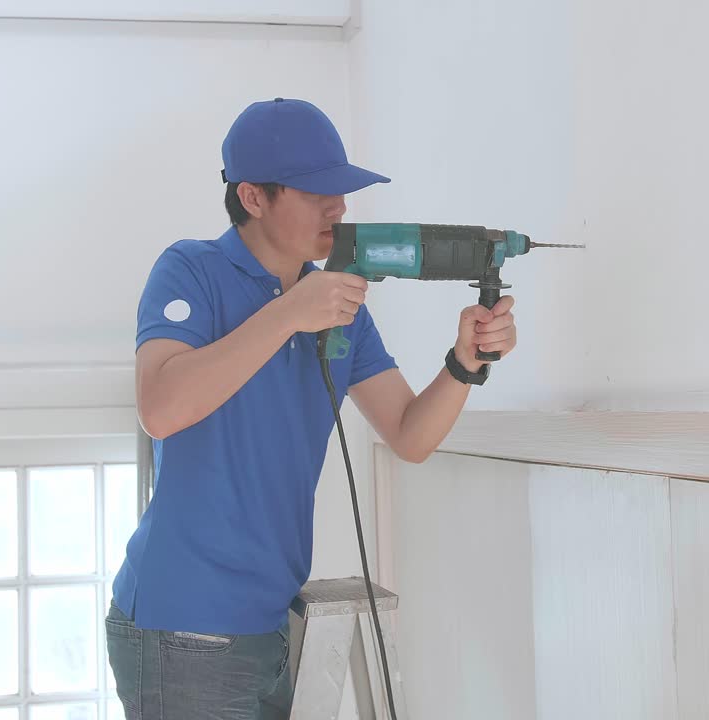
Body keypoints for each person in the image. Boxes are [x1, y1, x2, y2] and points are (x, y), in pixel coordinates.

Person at [104, 97, 518, 719]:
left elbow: (410, 435)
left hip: (270, 620)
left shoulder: (340, 304)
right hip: (180, 628)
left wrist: (465, 363)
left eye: (342, 191)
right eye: (315, 191)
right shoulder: (191, 270)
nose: (339, 207)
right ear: (252, 197)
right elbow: (160, 408)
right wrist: (289, 312)